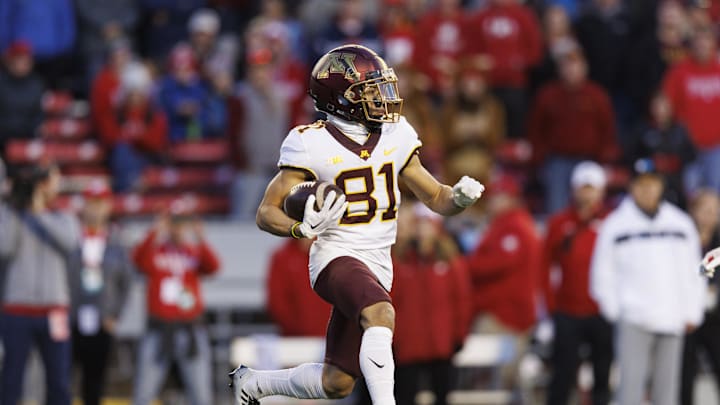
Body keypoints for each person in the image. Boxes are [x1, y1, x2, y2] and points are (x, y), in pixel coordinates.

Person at [230, 44, 484, 405]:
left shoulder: (396, 135)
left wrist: (458, 198)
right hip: (336, 255)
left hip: (379, 263)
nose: (383, 99)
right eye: (370, 91)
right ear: (340, 98)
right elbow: (266, 212)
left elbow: (436, 197)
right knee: (381, 314)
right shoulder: (310, 142)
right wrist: (298, 229)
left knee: (338, 382)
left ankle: (256, 384)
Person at [590, 160, 706, 405]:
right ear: (632, 187)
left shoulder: (680, 224)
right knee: (630, 388)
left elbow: (696, 269)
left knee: (667, 391)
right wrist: (614, 309)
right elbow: (602, 272)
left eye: (652, 184)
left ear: (661, 186)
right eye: (641, 184)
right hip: (634, 316)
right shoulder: (615, 225)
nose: (647, 190)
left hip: (672, 314)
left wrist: (693, 309)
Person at [0, 164, 81, 405]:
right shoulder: (13, 214)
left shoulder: (63, 217)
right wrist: (14, 208)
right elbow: (5, 247)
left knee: (59, 381)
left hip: (54, 310)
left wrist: (39, 213)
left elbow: (69, 244)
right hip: (17, 310)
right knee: (11, 379)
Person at [132, 206, 221, 405]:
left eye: (182, 224)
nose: (178, 229)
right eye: (174, 223)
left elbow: (213, 267)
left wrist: (201, 238)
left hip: (190, 329)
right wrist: (154, 232)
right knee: (143, 394)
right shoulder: (155, 252)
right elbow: (138, 261)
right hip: (159, 330)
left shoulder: (194, 252)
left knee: (201, 395)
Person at [542, 161, 613, 405]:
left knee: (602, 374)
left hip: (602, 311)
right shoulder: (559, 223)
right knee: (562, 374)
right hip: (567, 310)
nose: (587, 193)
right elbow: (544, 266)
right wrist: (551, 306)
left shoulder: (613, 223)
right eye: (583, 187)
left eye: (591, 188)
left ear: (601, 191)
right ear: (574, 189)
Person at [465, 173, 541, 399]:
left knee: (498, 383)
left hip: (507, 317)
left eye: (499, 196)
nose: (493, 202)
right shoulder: (502, 224)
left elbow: (496, 265)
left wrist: (466, 265)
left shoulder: (515, 226)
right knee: (497, 382)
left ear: (512, 199)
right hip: (503, 313)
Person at [391, 203, 472, 405]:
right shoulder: (400, 261)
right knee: (404, 397)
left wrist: (458, 336)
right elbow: (391, 302)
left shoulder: (451, 262)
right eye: (419, 225)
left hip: (441, 345)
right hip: (408, 346)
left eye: (427, 225)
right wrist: (394, 338)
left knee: (442, 395)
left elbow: (462, 300)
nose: (423, 230)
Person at [528, 43, 618, 214]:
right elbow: (536, 130)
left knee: (591, 206)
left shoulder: (596, 96)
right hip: (558, 160)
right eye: (566, 66)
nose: (571, 70)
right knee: (557, 206)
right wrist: (538, 161)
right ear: (560, 69)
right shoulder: (548, 95)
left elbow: (607, 130)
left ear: (585, 68)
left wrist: (604, 159)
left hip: (588, 159)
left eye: (576, 65)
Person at [69, 182, 132, 405]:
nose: (95, 209)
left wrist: (115, 314)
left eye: (100, 203)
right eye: (91, 203)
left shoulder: (117, 239)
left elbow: (126, 282)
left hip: (102, 316)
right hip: (72, 316)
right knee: (63, 377)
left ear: (108, 206)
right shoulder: (71, 236)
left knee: (95, 378)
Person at [663, 26, 720, 193]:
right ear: (692, 45)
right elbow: (666, 105)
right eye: (698, 41)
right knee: (691, 194)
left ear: (713, 44)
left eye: (706, 41)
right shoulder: (679, 71)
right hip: (688, 148)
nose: (702, 45)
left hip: (717, 146)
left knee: (716, 195)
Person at [97, 61, 168, 192]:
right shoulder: (117, 113)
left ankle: (131, 185)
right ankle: (129, 186)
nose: (135, 98)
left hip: (147, 158)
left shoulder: (152, 114)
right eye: (132, 93)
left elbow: (156, 142)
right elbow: (109, 137)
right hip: (122, 160)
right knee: (122, 151)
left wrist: (136, 136)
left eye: (138, 93)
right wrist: (135, 135)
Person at [681, 189, 720, 405]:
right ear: (693, 211)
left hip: (716, 318)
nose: (711, 215)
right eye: (706, 210)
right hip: (687, 317)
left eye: (716, 211)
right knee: (685, 374)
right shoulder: (682, 240)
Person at [266, 238, 332, 337]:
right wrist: (296, 331)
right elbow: (277, 302)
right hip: (295, 341)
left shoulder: (334, 254)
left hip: (334, 339)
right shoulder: (283, 257)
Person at [0, 41, 45, 155]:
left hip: (26, 139)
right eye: (18, 59)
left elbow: (38, 115)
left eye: (25, 60)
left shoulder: (36, 84)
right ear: (9, 61)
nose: (22, 64)